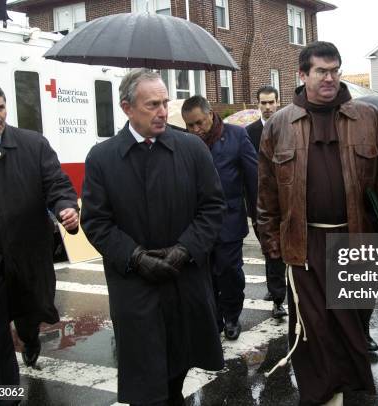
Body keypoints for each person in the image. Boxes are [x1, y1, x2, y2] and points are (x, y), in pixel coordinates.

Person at [257, 41, 378, 405]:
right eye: (321, 71)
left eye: (334, 70)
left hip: (356, 240)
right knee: (313, 327)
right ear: (302, 75)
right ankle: (322, 396)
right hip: (304, 243)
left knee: (351, 323)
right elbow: (266, 192)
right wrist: (271, 239)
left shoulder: (368, 118)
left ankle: (346, 388)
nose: (329, 77)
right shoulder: (279, 125)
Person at [81, 69, 226, 405]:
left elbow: (213, 207)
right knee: (145, 379)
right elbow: (97, 222)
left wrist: (184, 249)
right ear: (127, 108)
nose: (162, 111)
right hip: (135, 284)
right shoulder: (102, 158)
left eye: (165, 102)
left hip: (183, 278)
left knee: (178, 366)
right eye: (152, 105)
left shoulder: (191, 149)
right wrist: (135, 257)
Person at [0, 81, 79, 398]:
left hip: (27, 255)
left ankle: (30, 338)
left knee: (29, 316)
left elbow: (56, 183)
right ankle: (8, 396)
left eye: (1, 107)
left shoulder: (33, 145)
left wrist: (66, 208)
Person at [181, 95, 258, 340]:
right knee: (205, 275)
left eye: (199, 123)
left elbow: (252, 178)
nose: (195, 130)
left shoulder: (237, 136)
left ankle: (232, 315)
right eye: (190, 125)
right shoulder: (186, 143)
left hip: (229, 220)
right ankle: (214, 319)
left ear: (211, 114)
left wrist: (258, 216)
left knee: (228, 271)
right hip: (198, 223)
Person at [245, 86, 287, 320]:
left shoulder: (289, 128)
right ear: (257, 104)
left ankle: (279, 293)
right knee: (270, 250)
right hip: (260, 204)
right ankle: (276, 294)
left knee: (287, 251)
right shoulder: (249, 132)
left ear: (278, 102)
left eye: (271, 102)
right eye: (263, 103)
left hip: (287, 202)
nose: (268, 107)